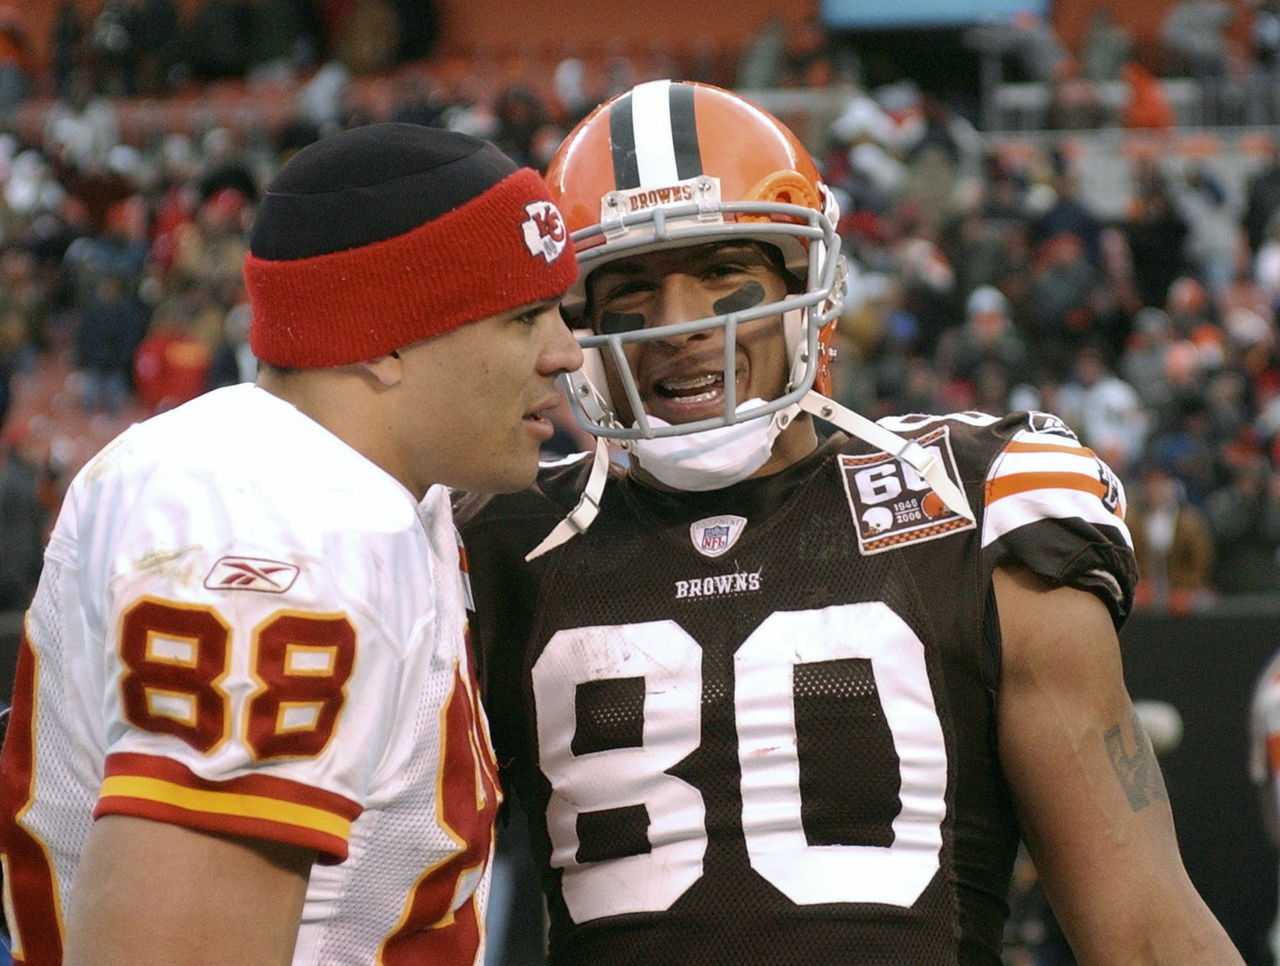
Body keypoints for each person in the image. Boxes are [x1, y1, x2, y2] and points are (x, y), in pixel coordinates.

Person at [454, 80, 1242, 964]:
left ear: (807, 282)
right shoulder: (494, 538)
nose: (677, 326)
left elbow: (1142, 926)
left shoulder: (973, 498)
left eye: (722, 271)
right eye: (630, 287)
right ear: (578, 319)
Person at [0, 122, 581, 963]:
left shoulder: (345, 489)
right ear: (386, 339)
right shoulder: (286, 522)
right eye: (526, 316)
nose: (564, 351)